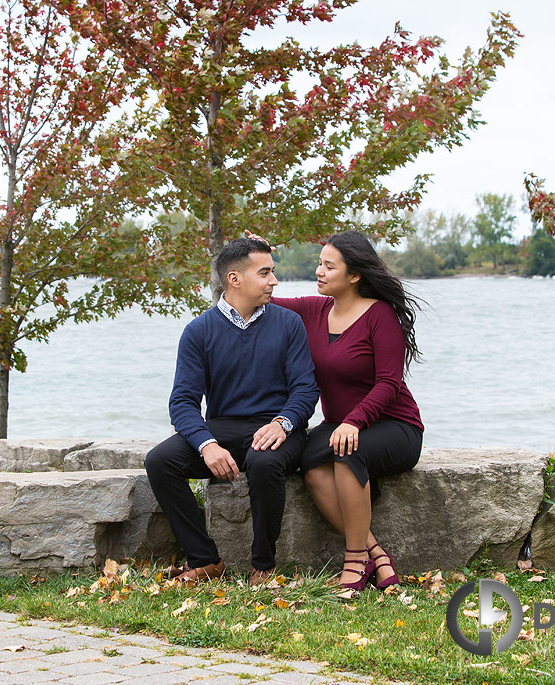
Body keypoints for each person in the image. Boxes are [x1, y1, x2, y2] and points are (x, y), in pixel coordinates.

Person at [144, 237, 319, 586]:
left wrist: (283, 424)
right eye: (265, 272)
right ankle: (206, 560)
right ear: (235, 279)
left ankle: (263, 566)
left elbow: (306, 389)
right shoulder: (198, 332)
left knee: (264, 460)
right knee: (160, 461)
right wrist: (206, 444)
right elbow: (182, 401)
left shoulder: (288, 324)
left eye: (273, 272)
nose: (274, 281)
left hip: (279, 430)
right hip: (222, 429)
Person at [265, 230, 424, 592]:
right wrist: (257, 256)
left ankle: (354, 561)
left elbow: (389, 383)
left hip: (394, 426)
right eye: (319, 264)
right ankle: (376, 553)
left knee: (345, 451)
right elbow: (264, 301)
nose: (319, 271)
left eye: (329, 266)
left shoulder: (379, 316)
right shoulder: (315, 310)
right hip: (340, 426)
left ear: (354, 275)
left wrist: (353, 422)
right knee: (311, 466)